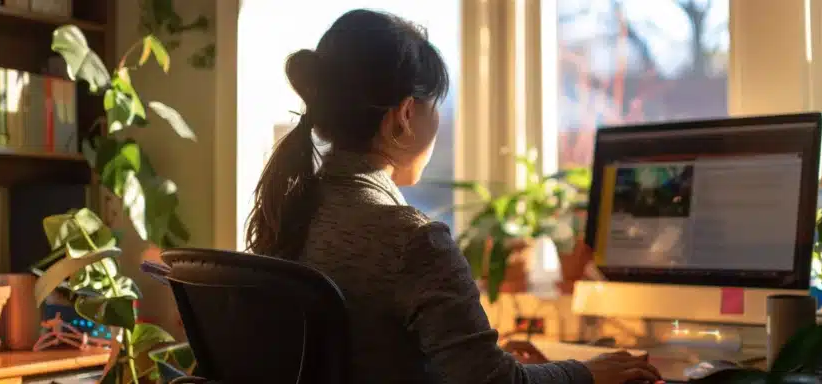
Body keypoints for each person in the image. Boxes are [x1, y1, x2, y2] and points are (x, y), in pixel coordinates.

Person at [245, 9, 663, 384]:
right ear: (406, 115)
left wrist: (487, 362)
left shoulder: (288, 208)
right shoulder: (413, 240)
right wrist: (586, 373)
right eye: (435, 106)